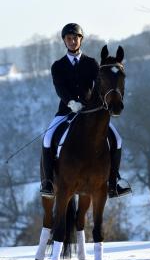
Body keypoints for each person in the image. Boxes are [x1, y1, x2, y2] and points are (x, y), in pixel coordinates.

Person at [40, 23, 131, 198]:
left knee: (117, 139)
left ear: (81, 40)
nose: (72, 41)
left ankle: (113, 182)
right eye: (69, 38)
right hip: (66, 111)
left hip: (90, 112)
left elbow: (100, 85)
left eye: (76, 38)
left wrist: (98, 102)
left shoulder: (91, 63)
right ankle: (48, 182)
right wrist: (71, 102)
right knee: (47, 138)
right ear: (64, 41)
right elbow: (59, 88)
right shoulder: (57, 66)